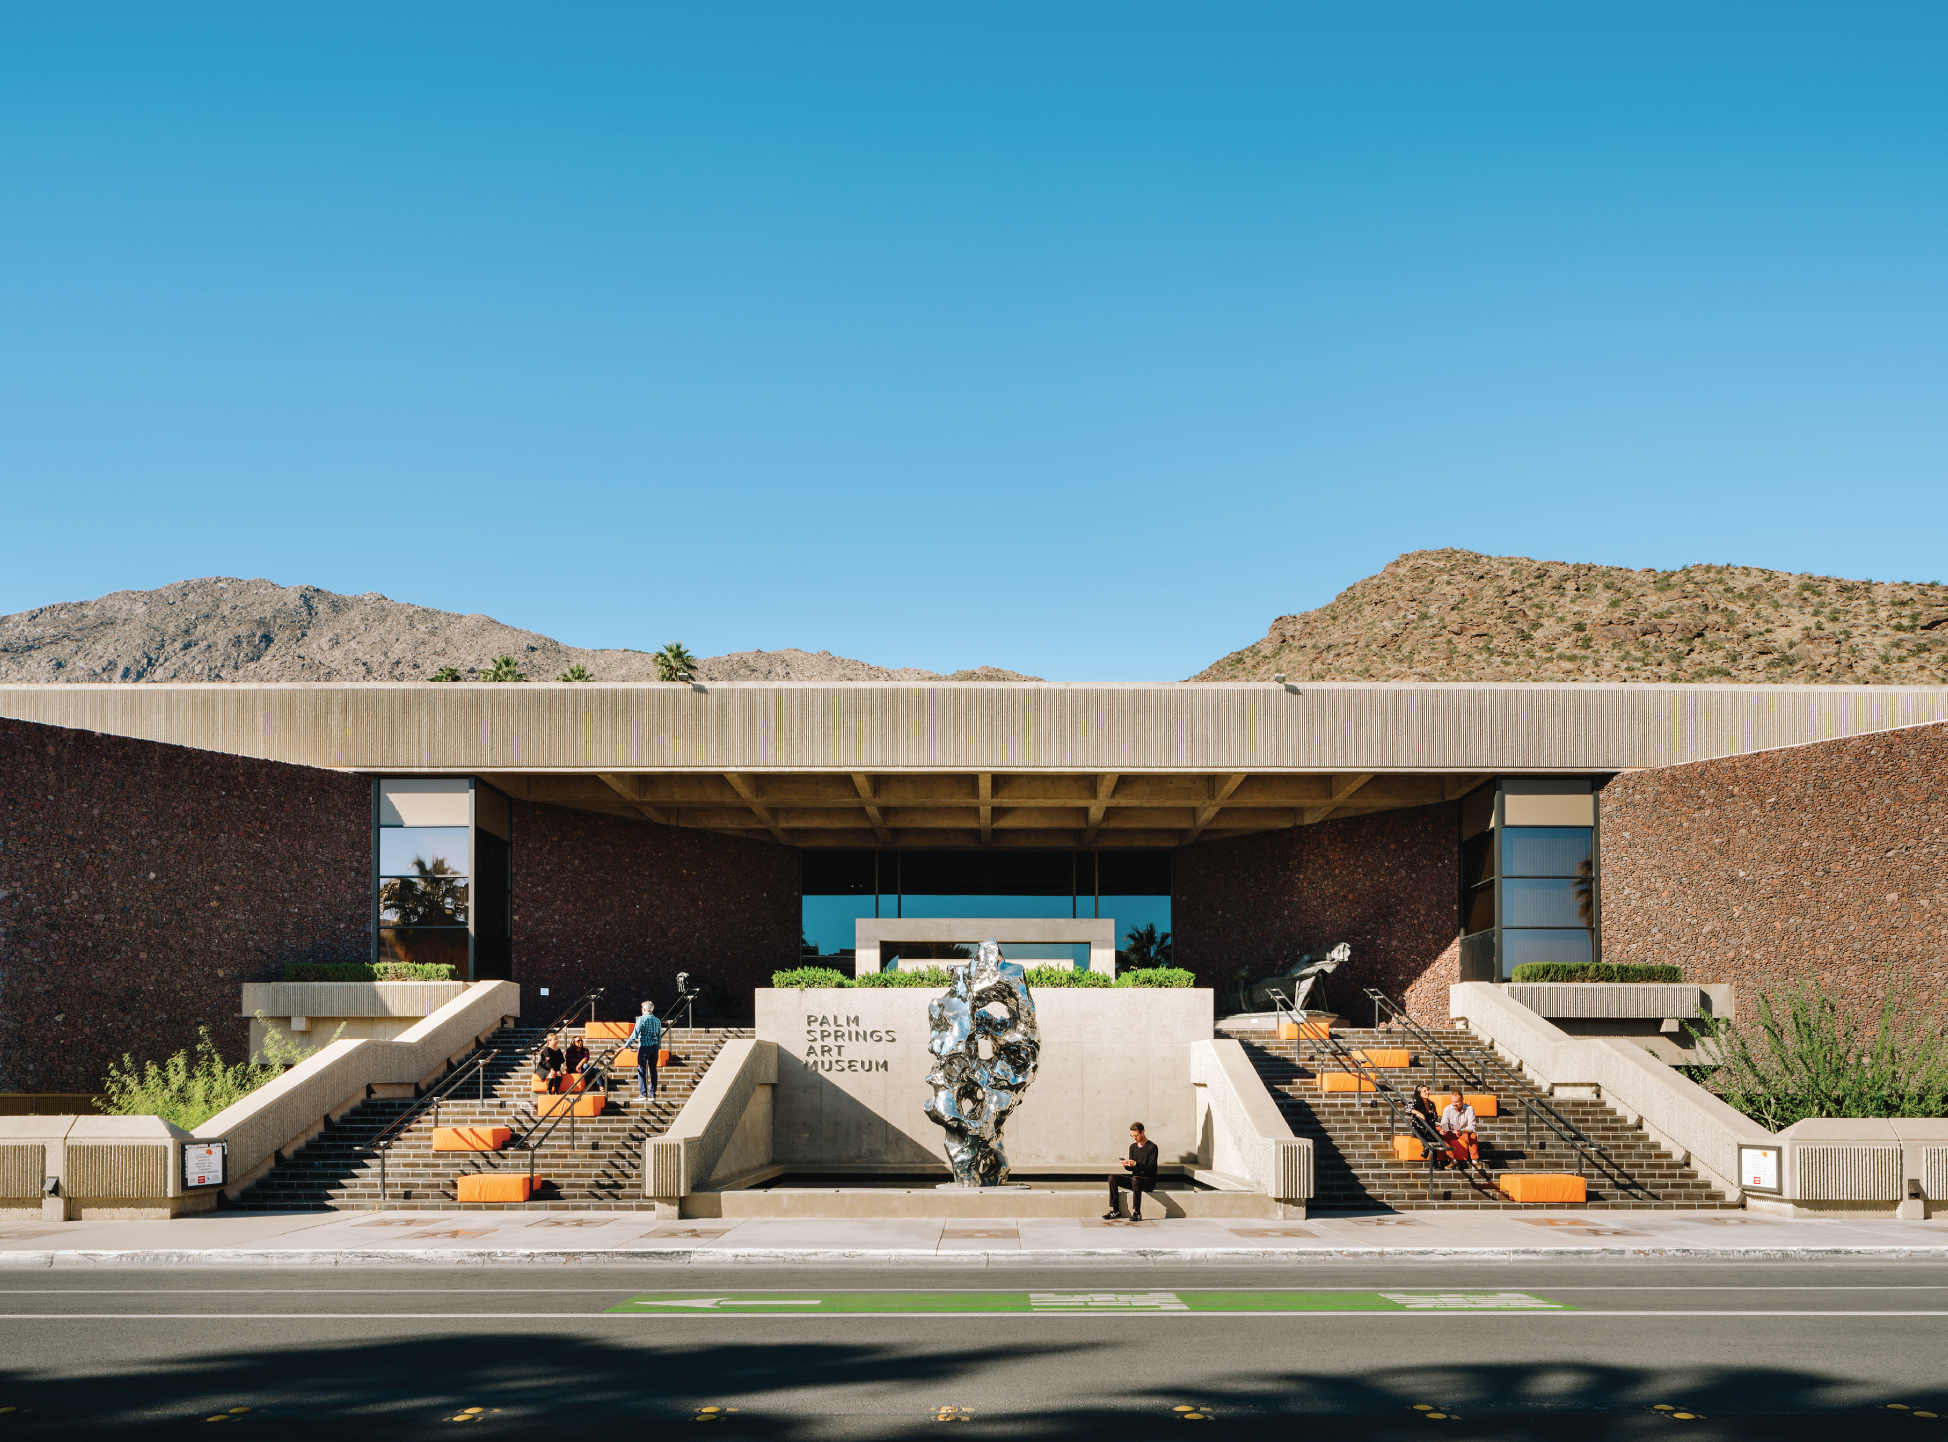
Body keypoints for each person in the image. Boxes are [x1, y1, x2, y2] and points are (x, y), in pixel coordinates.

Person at [1104, 1122, 1159, 1221]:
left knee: (1135, 1179)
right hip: (1135, 1181)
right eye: (1132, 1135)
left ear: (1142, 1132)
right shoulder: (1132, 1147)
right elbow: (1133, 1168)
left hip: (1148, 1182)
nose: (1134, 1137)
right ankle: (1115, 1210)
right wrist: (1127, 1165)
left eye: (1136, 1135)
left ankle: (1137, 1212)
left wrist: (1136, 1164)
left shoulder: (1152, 1147)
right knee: (1112, 1177)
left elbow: (1152, 1169)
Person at [626, 1001, 663, 1101]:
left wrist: (627, 1045)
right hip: (654, 1047)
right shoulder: (657, 1020)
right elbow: (659, 1036)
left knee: (642, 1069)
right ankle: (652, 1094)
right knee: (653, 1070)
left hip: (644, 1047)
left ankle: (643, 1093)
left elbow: (635, 1034)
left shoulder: (641, 1019)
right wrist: (658, 1047)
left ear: (644, 1009)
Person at [1439, 1090, 1479, 1167]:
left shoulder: (1469, 1109)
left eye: (1457, 1102)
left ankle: (1475, 1161)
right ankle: (1453, 1161)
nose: (1454, 1104)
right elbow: (1444, 1123)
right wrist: (1444, 1130)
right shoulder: (1447, 1109)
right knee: (1442, 1136)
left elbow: (1473, 1126)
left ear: (1462, 1100)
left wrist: (1462, 1131)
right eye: (1453, 1101)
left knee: (1473, 1135)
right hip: (1451, 1133)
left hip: (1463, 1133)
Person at [1409, 1083, 1445, 1167]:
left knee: (1436, 1137)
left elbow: (1434, 1119)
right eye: (1424, 1091)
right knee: (1430, 1138)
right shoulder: (1415, 1101)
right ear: (1419, 1093)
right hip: (1418, 1128)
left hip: (1430, 1128)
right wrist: (1418, 1112)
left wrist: (1440, 1128)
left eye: (1427, 1090)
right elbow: (1408, 1108)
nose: (1427, 1092)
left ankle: (1428, 1152)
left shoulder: (1432, 1104)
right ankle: (1434, 1162)